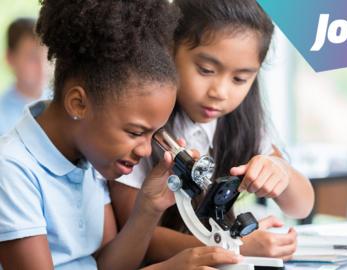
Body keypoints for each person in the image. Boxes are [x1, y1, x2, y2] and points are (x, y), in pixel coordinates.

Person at [0, 0, 240, 269]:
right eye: (136, 132)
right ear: (79, 104)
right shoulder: (11, 168)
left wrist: (148, 207)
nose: (146, 150)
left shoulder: (89, 156)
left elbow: (107, 265)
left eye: (152, 134)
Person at [110, 0, 315, 264]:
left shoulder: (242, 120)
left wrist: (280, 172)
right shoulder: (140, 125)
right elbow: (136, 237)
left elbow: (301, 206)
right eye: (206, 70)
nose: (219, 92)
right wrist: (235, 247)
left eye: (240, 79)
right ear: (170, 49)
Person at [0, 17, 49, 135]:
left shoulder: (63, 103)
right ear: (10, 58)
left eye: (47, 56)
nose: (42, 66)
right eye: (32, 57)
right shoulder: (2, 116)